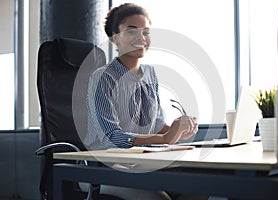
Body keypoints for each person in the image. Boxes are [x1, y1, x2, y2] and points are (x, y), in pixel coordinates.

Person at [84, 3, 201, 200]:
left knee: (200, 185)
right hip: (104, 167)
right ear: (115, 38)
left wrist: (178, 129)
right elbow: (113, 137)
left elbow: (155, 125)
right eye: (131, 31)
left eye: (146, 32)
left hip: (141, 162)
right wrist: (165, 138)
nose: (141, 38)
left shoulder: (150, 74)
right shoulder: (103, 77)